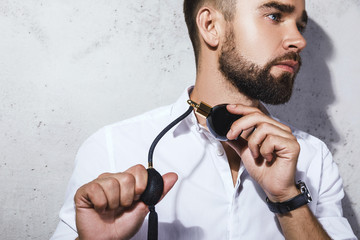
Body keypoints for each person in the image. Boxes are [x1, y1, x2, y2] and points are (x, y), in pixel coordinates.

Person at [52, 0, 357, 239]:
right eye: (275, 16)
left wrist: (288, 198)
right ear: (211, 25)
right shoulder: (112, 147)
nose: (299, 41)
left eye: (299, 25)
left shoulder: (313, 157)